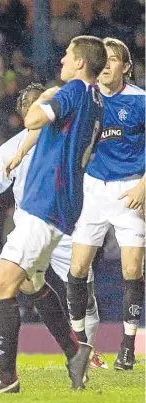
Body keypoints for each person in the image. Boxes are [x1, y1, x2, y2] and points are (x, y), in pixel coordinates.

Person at [0, 36, 107, 393]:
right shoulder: (95, 100)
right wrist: (19, 154)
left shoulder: (72, 91)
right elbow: (46, 131)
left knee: (2, 284)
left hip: (44, 203)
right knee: (32, 284)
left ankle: (6, 376)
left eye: (68, 54)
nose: (62, 58)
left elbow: (33, 117)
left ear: (80, 63)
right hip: (61, 204)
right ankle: (75, 352)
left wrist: (46, 96)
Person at [68, 38, 145, 371]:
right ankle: (80, 345)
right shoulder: (86, 97)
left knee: (132, 270)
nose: (107, 65)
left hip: (131, 189)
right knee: (78, 268)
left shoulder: (140, 100)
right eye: (104, 59)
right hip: (93, 190)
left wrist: (144, 184)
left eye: (113, 60)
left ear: (126, 67)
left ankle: (127, 347)